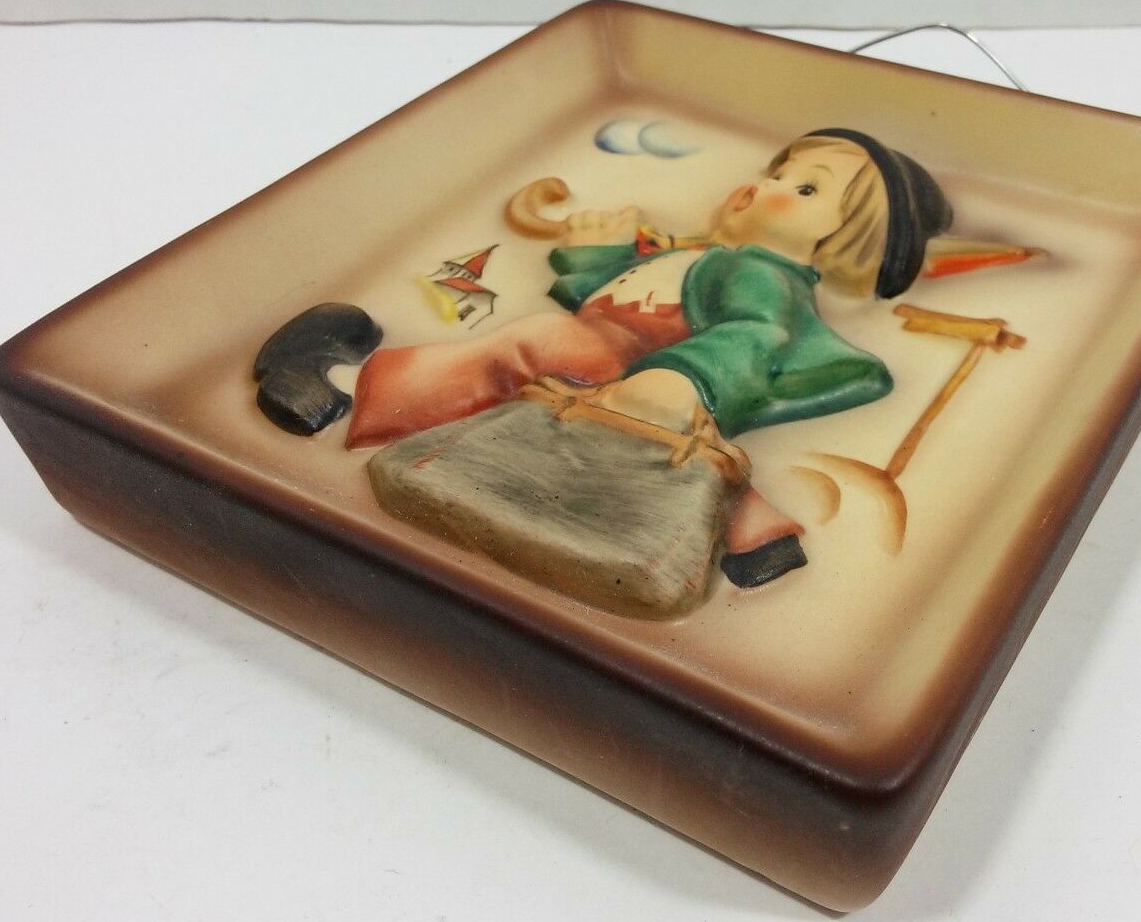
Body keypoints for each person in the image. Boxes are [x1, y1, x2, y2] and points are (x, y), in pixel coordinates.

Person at [256, 128, 954, 585]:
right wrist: (597, 251)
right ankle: (755, 545)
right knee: (667, 449)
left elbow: (758, 337)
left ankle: (343, 393)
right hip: (613, 359)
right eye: (780, 170)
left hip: (632, 365)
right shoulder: (705, 255)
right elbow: (609, 293)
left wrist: (684, 378)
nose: (764, 185)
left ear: (839, 245)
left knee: (534, 345)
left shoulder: (761, 274)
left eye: (805, 190)